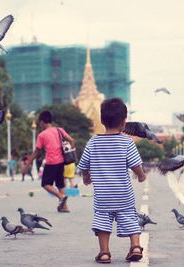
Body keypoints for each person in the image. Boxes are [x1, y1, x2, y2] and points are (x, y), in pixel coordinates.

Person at [78, 98, 146, 263]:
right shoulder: (127, 142)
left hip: (103, 196)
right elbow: (136, 165)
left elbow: (84, 165)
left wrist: (87, 178)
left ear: (101, 121)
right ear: (124, 122)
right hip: (124, 194)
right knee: (129, 217)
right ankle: (136, 246)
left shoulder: (93, 142)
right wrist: (141, 175)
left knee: (102, 220)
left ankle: (105, 252)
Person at [25, 110, 75, 213]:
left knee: (45, 184)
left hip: (51, 162)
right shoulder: (59, 130)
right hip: (61, 162)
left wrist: (27, 164)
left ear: (42, 122)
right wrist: (70, 151)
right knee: (60, 185)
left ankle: (60, 197)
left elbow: (36, 152)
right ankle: (65, 207)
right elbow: (72, 140)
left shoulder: (42, 135)